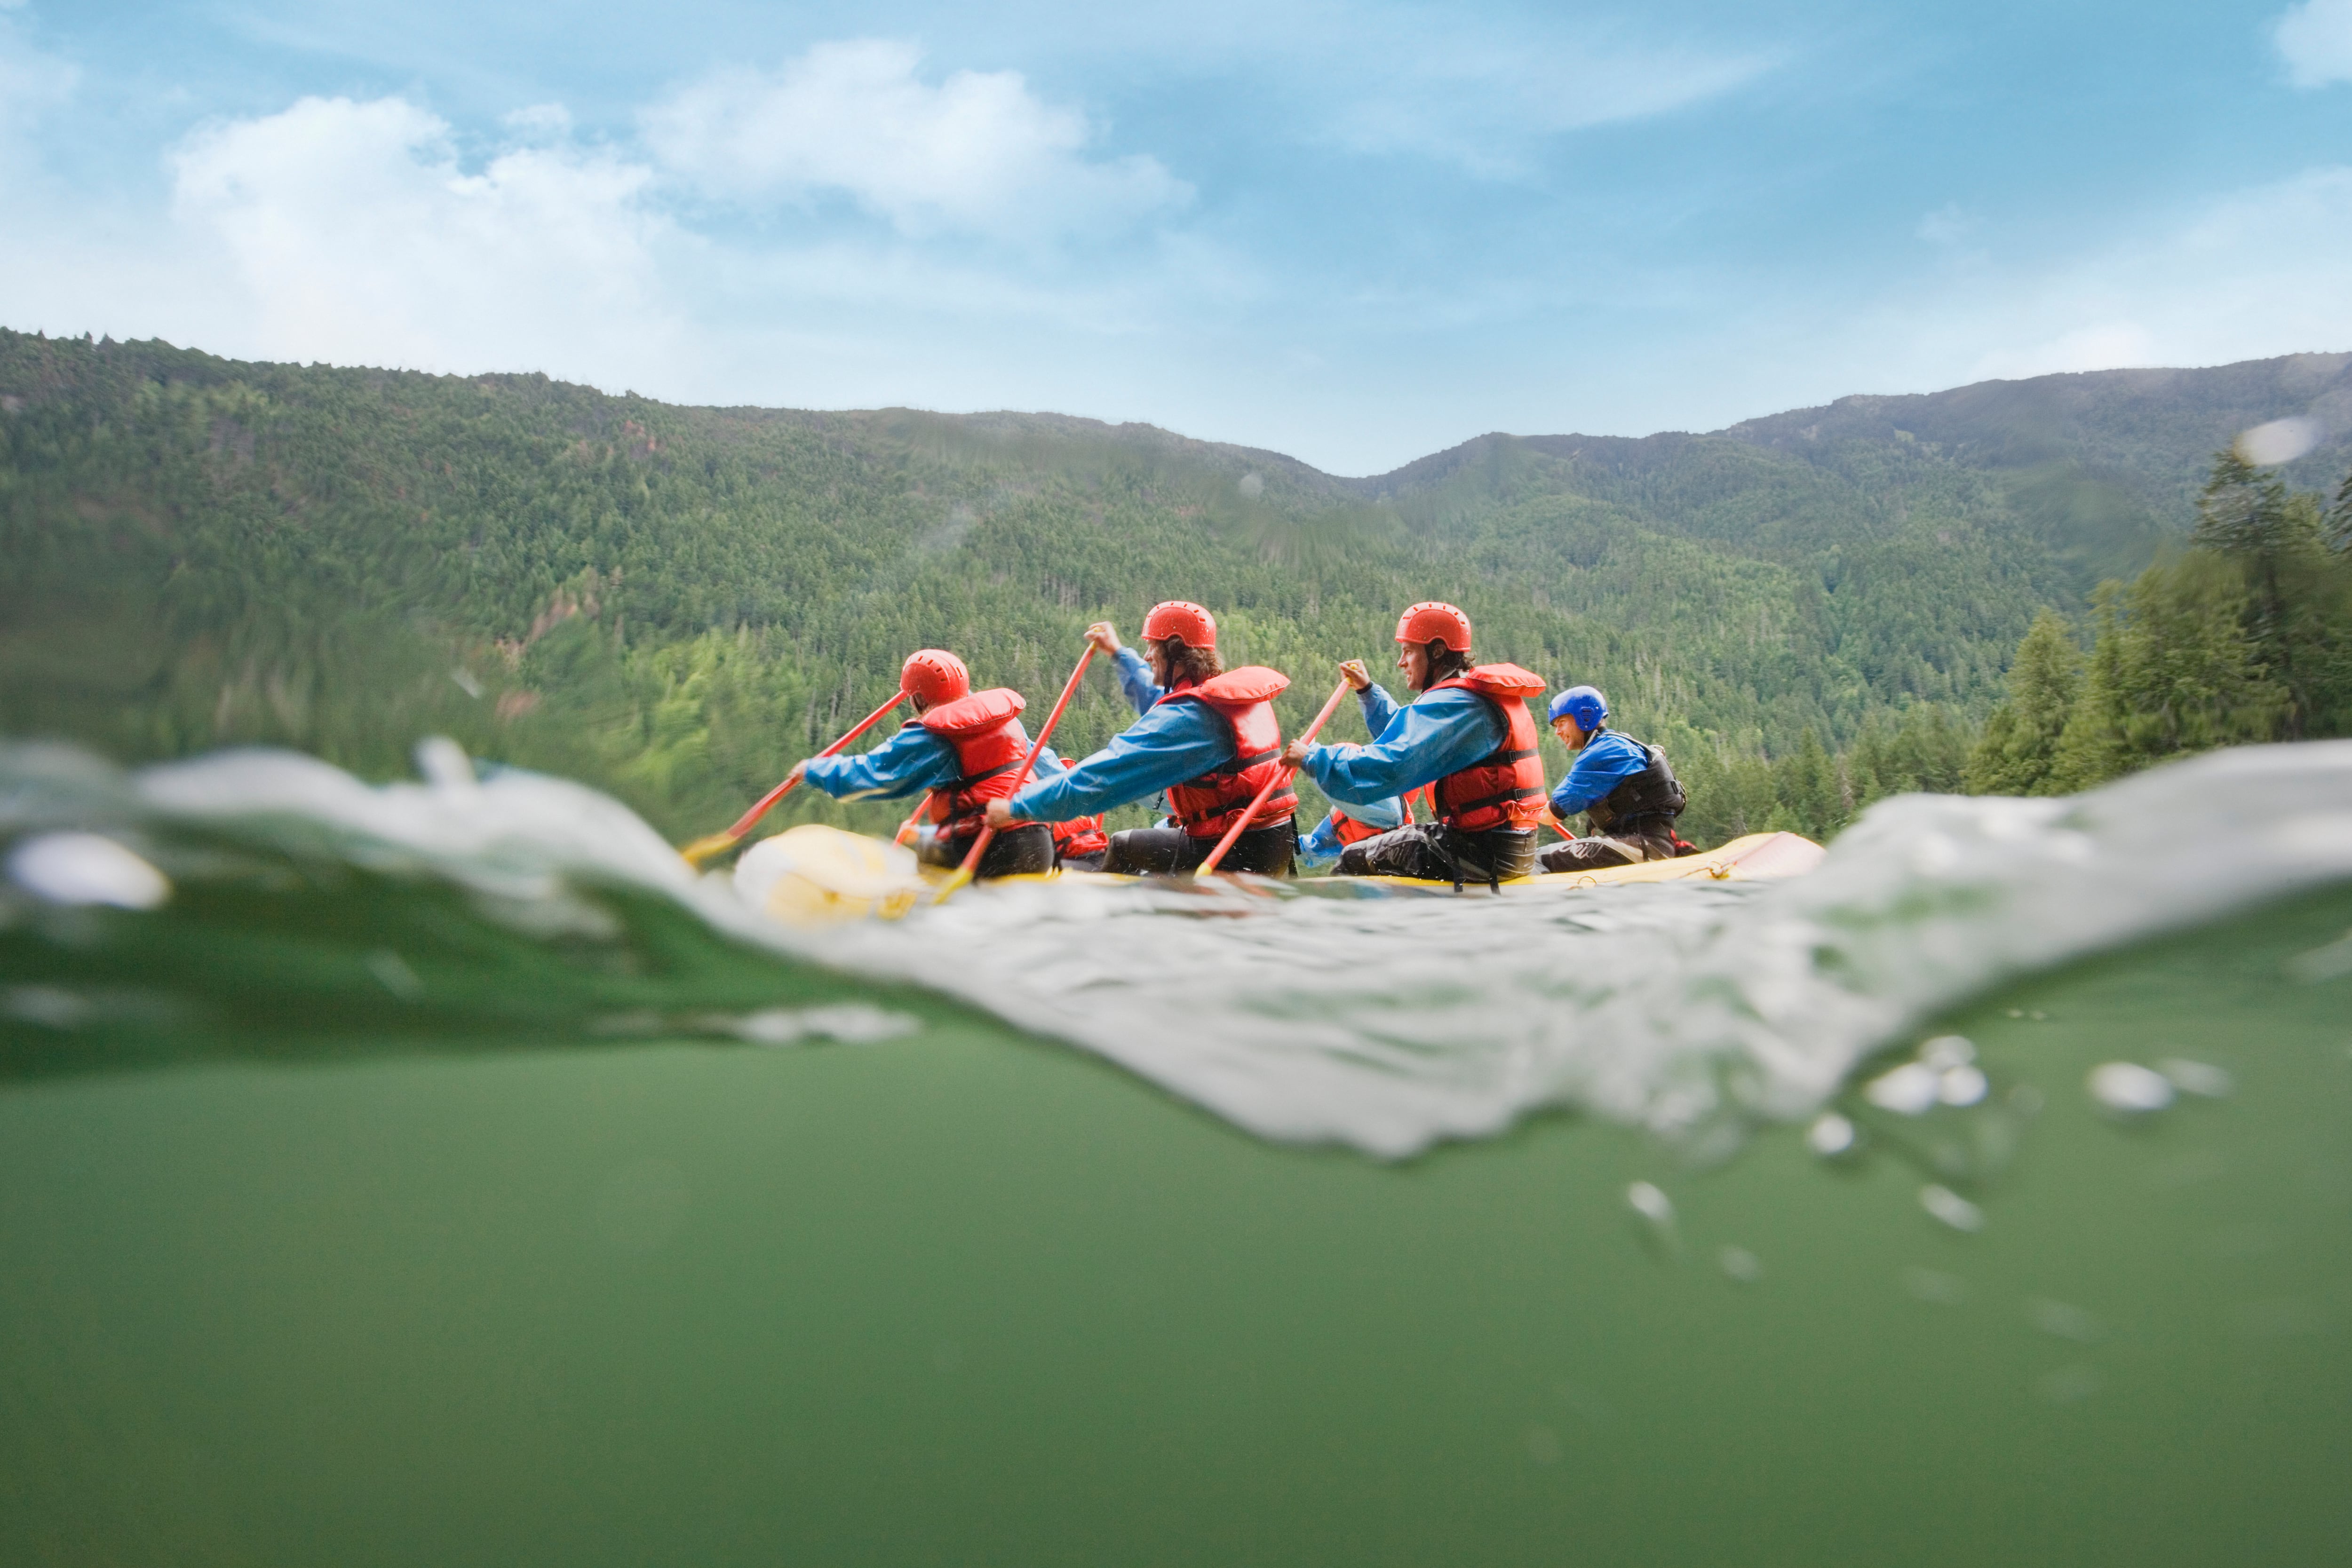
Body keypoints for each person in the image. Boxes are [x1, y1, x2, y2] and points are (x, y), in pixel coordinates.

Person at [984, 601, 1301, 876]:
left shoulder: (1191, 720)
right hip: (1271, 842)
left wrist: (1018, 808)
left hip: (1232, 852)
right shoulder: (1215, 701)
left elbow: (1104, 777)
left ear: (1176, 648)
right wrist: (1119, 654)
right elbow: (1157, 700)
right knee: (1128, 845)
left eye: (1153, 646)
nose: (1148, 656)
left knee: (1123, 846)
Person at [1282, 602, 1548, 890]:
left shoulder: (1457, 705)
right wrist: (1368, 692)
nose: (1401, 662)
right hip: (1507, 847)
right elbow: (1413, 732)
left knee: (1355, 856)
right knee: (1393, 846)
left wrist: (1314, 758)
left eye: (1408, 651)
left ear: (1437, 652)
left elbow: (1394, 764)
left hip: (1481, 853)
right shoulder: (1465, 699)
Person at [790, 649, 1103, 879]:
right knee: (928, 835)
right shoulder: (1008, 724)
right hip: (1039, 846)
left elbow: (870, 776)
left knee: (926, 847)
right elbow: (1053, 772)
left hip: (989, 849)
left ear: (917, 700)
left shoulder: (932, 736)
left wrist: (812, 769)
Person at [1535, 684, 1693, 872]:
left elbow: (1551, 814)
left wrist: (1513, 811)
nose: (1557, 732)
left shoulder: (1601, 752)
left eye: (1561, 722)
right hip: (1650, 842)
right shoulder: (1615, 743)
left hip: (1643, 846)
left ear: (1584, 717)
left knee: (1535, 860)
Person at [1296, 785, 1430, 870]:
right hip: (1370, 853)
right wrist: (1283, 842)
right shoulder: (1344, 818)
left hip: (1392, 862)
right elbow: (1316, 847)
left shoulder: (1381, 804)